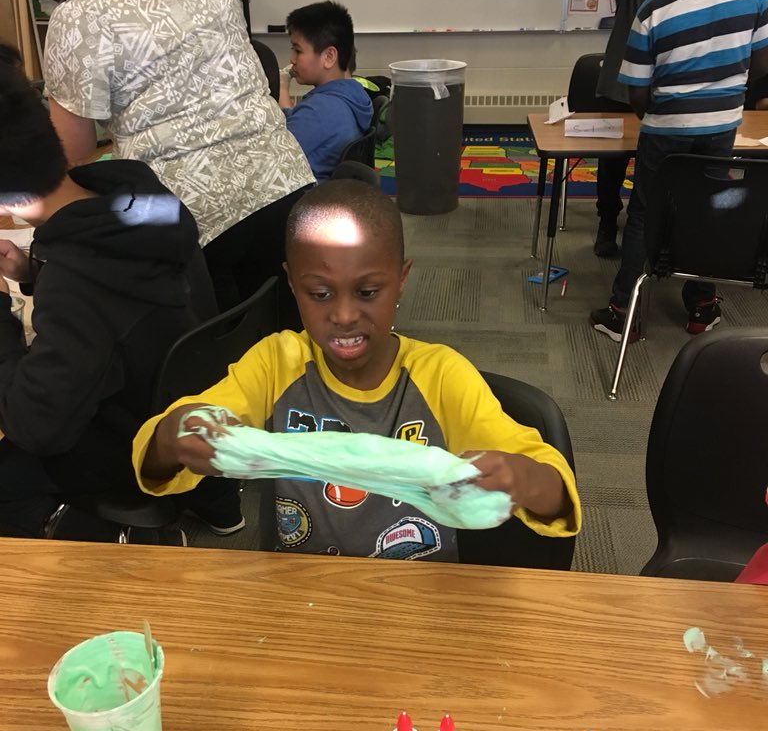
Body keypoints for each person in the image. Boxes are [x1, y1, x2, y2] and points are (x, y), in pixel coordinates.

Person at [132, 180, 581, 561]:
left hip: (415, 603)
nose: (344, 315)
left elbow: (554, 488)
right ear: (292, 283)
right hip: (301, 596)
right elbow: (162, 449)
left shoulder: (441, 376)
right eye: (320, 294)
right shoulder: (276, 363)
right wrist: (176, 434)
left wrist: (521, 477)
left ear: (401, 278)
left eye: (367, 292)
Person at [26, 0, 314, 314]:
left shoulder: (76, 18)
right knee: (280, 342)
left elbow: (73, 155)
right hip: (285, 183)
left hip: (186, 222)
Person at [0, 45, 242, 541]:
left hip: (130, 451)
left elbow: (36, 424)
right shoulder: (142, 197)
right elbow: (115, 293)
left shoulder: (77, 283)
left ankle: (107, 544)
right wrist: (33, 270)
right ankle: (213, 502)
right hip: (180, 407)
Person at [590, 0, 768, 342]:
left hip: (665, 131)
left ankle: (623, 314)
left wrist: (663, 110)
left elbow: (637, 93)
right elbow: (762, 63)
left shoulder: (654, 8)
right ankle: (701, 308)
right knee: (708, 206)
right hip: (722, 127)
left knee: (644, 215)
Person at [592, 0, 679, 258]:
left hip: (666, 88)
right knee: (612, 165)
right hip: (622, 87)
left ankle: (652, 227)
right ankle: (607, 221)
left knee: (659, 166)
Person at [278, 1, 373, 180]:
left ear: (329, 57)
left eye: (297, 51)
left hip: (302, 202)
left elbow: (273, 156)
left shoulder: (321, 110)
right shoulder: (353, 95)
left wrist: (281, 89)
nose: (292, 59)